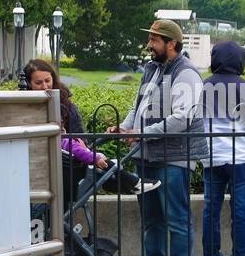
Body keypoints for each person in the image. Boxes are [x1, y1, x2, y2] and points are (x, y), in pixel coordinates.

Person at [108, 19, 205, 256]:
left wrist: (141, 133)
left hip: (173, 158)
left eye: (155, 40)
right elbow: (138, 105)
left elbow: (182, 119)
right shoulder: (152, 69)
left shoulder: (186, 74)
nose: (149, 45)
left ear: (171, 43)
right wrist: (127, 128)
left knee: (176, 218)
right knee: (151, 218)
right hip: (147, 155)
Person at [25, 59, 154, 195]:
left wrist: (81, 143)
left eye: (47, 80)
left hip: (68, 159)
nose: (45, 86)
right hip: (54, 164)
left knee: (97, 161)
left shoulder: (64, 104)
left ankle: (126, 182)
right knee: (98, 162)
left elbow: (79, 136)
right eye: (38, 83)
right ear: (29, 84)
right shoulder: (25, 107)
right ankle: (128, 183)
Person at [200, 41, 245, 256]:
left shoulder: (203, 87)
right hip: (240, 158)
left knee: (211, 211)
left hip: (211, 156)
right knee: (239, 213)